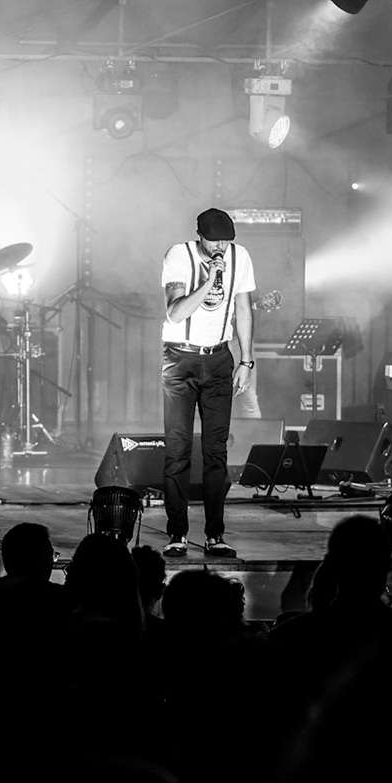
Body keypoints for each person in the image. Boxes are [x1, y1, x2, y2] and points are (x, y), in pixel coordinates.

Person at [159, 207, 255, 559]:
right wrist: (209, 280)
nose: (220, 248)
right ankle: (177, 534)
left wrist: (246, 361)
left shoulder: (239, 256)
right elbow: (175, 312)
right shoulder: (178, 256)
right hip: (180, 359)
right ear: (199, 235)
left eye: (226, 241)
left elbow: (243, 310)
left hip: (218, 359)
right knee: (178, 450)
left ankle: (215, 535)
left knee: (216, 452)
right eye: (214, 241)